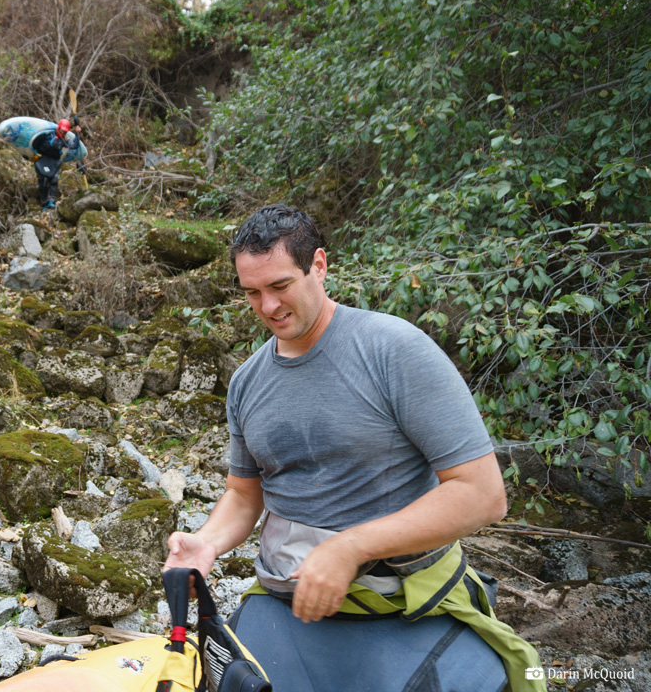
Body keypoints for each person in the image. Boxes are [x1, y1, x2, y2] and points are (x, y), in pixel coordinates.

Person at [163, 203, 543, 692]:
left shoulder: (393, 350)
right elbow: (244, 495)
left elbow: (482, 494)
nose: (268, 307)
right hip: (287, 598)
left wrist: (351, 546)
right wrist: (207, 543)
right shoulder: (247, 381)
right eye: (252, 293)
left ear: (318, 265)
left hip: (403, 598)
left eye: (280, 286)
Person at [30, 118, 84, 210]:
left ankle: (51, 201)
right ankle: (44, 203)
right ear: (58, 128)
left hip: (53, 161)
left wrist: (77, 133)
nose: (62, 133)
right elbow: (35, 141)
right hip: (42, 159)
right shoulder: (48, 135)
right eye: (61, 130)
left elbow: (75, 146)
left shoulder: (64, 141)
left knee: (54, 179)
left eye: (65, 132)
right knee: (42, 181)